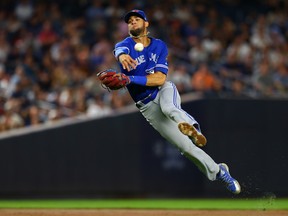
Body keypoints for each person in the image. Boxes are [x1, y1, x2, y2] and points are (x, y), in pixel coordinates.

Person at [112, 9, 241, 194]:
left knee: (170, 108)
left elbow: (159, 80)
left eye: (137, 19)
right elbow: (119, 50)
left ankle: (194, 129)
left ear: (146, 23)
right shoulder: (124, 46)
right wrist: (121, 56)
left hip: (163, 90)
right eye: (130, 20)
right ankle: (220, 171)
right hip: (147, 106)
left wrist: (130, 80)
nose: (132, 22)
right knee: (186, 148)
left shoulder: (159, 46)